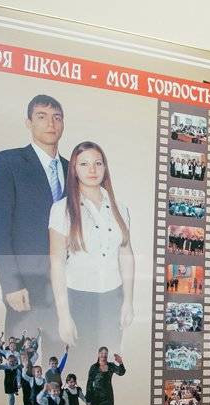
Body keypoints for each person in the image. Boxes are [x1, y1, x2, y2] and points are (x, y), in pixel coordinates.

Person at [0, 94, 68, 358]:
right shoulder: (8, 163)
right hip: (25, 285)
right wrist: (10, 283)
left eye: (57, 117)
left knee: (63, 364)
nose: (50, 124)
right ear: (29, 123)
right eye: (42, 117)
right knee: (21, 364)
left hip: (68, 287)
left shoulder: (75, 170)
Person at [48, 141, 136, 373]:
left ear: (105, 167)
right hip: (78, 299)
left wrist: (128, 301)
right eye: (84, 164)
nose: (92, 169)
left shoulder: (120, 208)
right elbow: (56, 264)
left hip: (112, 298)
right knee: (79, 368)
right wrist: (63, 316)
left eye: (98, 163)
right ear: (74, 169)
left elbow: (126, 255)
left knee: (106, 369)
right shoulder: (61, 209)